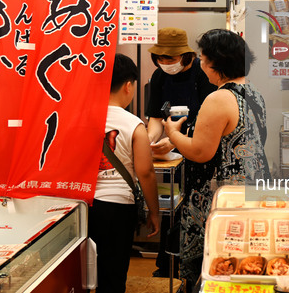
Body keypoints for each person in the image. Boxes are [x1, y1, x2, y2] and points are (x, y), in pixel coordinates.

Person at [163, 29, 272, 291]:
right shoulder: (253, 92)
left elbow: (201, 152)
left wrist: (173, 134)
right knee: (244, 262)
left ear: (217, 63)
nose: (201, 63)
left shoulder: (219, 97)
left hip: (219, 198)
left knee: (216, 266)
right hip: (251, 190)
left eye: (203, 58)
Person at [145, 27, 217, 277]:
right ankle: (168, 267)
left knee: (195, 208)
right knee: (172, 208)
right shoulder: (159, 77)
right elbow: (155, 118)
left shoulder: (204, 75)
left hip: (202, 152)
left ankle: (194, 270)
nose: (165, 64)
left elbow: (209, 123)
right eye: (160, 59)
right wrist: (148, 141)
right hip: (172, 156)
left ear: (186, 55)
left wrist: (175, 140)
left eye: (171, 59)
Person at [89, 53, 160, 293]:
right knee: (113, 271)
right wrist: (154, 212)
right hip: (117, 206)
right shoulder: (133, 124)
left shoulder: (80, 118)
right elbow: (146, 172)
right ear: (128, 86)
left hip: (82, 204)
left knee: (84, 271)